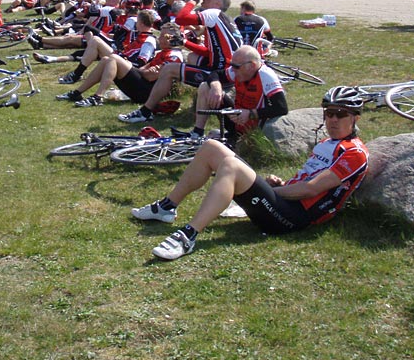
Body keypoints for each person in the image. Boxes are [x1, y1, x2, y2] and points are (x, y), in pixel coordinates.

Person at [131, 86, 369, 260]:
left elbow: (311, 189)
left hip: (294, 219)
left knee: (231, 166)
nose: (333, 119)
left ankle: (188, 235)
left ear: (355, 118)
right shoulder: (327, 143)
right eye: (329, 113)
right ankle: (167, 207)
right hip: (284, 204)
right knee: (212, 147)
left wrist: (272, 192)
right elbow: (306, 179)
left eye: (341, 114)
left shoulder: (354, 153)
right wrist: (279, 185)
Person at [118, 0, 241, 123]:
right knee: (192, 57)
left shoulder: (213, 13)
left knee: (169, 69)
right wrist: (184, 42)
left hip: (221, 74)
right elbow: (208, 52)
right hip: (229, 71)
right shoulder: (225, 19)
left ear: (217, 3)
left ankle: (145, 111)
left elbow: (181, 19)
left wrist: (193, 0)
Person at [57, 22, 185, 107]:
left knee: (113, 58)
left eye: (163, 36)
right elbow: (144, 70)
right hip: (142, 84)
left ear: (172, 39)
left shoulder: (173, 56)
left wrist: (141, 70)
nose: (160, 38)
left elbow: (150, 76)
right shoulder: (163, 52)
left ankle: (98, 96)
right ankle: (77, 92)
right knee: (106, 59)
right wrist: (142, 70)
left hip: (148, 93)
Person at [183, 44, 288, 146]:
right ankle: (197, 133)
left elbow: (281, 108)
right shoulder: (239, 70)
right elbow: (215, 74)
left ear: (252, 65)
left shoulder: (266, 76)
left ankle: (235, 140)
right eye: (232, 65)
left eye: (236, 66)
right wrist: (216, 86)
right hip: (237, 119)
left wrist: (250, 114)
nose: (232, 69)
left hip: (253, 128)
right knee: (205, 86)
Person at [57, 10, 157, 84]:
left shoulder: (149, 40)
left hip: (127, 68)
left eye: (137, 21)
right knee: (95, 41)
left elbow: (141, 63)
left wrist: (123, 58)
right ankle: (77, 75)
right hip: (122, 58)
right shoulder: (141, 35)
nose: (136, 24)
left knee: (96, 40)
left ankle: (76, 74)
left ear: (142, 23)